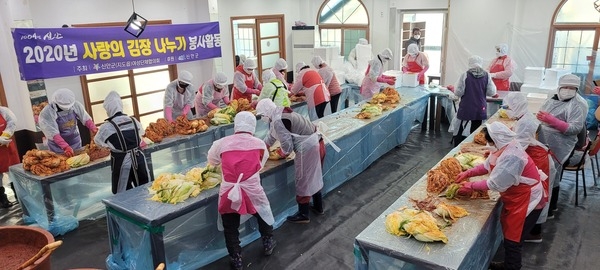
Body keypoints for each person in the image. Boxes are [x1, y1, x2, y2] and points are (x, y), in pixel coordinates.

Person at [456, 122, 545, 270]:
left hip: (528, 200)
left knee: (513, 240)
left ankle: (512, 266)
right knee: (510, 236)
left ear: (496, 139)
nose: (488, 144)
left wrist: (470, 186)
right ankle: (508, 264)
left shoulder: (512, 156)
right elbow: (486, 166)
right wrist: (468, 173)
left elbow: (494, 184)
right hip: (516, 197)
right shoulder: (502, 147)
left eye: (489, 141)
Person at [207, 111, 276, 270]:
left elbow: (212, 160)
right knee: (262, 213)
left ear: (236, 125)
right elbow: (262, 162)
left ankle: (236, 257)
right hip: (252, 189)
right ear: (252, 126)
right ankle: (267, 242)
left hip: (229, 190)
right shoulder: (259, 144)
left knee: (230, 225)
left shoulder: (221, 143)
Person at [256, 99, 325, 224]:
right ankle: (318, 207)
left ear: (266, 112)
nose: (262, 118)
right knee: (314, 177)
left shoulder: (278, 120)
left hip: (308, 147)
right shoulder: (278, 113)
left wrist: (279, 154)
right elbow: (271, 136)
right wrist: (262, 148)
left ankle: (303, 214)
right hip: (317, 142)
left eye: (262, 115)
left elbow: (287, 147)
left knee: (302, 179)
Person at [536, 74, 587, 219]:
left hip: (564, 145)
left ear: (577, 89)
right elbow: (542, 112)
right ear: (559, 87)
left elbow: (574, 129)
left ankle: (549, 209)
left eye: (572, 88)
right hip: (547, 140)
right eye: (565, 87)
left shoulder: (578, 104)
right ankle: (549, 207)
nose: (568, 90)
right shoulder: (553, 98)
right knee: (550, 173)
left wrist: (552, 120)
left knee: (552, 173)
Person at [94, 91, 150, 194]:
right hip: (139, 158)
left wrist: (108, 145)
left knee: (122, 193)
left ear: (108, 109)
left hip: (122, 162)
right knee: (144, 188)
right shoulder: (133, 120)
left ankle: (128, 210)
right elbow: (142, 133)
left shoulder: (107, 127)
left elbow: (97, 141)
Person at [450, 55, 496, 146]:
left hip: (466, 105)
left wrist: (455, 91)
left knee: (459, 127)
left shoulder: (465, 75)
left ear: (470, 63)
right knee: (476, 129)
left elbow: (459, 92)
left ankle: (457, 146)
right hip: (480, 106)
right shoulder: (487, 75)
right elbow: (492, 92)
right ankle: (474, 146)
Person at [39, 88, 98, 157]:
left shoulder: (75, 104)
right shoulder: (47, 112)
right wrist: (65, 147)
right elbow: (53, 133)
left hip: (74, 140)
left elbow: (85, 118)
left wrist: (94, 129)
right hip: (57, 145)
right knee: (62, 163)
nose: (67, 108)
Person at [0, 105, 19, 208]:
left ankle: (19, 195)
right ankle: (2, 199)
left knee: (14, 173)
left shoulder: (3, 111)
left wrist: (6, 134)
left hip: (7, 147)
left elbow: (12, 122)